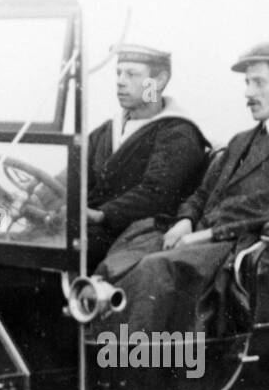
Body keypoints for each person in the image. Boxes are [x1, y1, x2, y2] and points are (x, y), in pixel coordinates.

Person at [96, 42, 269, 335]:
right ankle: (97, 344)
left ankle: (128, 362)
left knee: (153, 271)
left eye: (258, 82)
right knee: (126, 251)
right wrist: (185, 220)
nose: (248, 92)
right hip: (201, 234)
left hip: (240, 243)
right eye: (247, 82)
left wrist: (208, 232)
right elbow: (202, 193)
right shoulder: (241, 139)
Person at [86, 44, 211, 259]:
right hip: (92, 231)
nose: (120, 81)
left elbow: (156, 194)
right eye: (118, 73)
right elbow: (71, 174)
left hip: (136, 239)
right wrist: (37, 198)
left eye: (132, 74)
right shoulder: (106, 131)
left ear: (158, 81)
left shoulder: (178, 133)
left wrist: (101, 215)